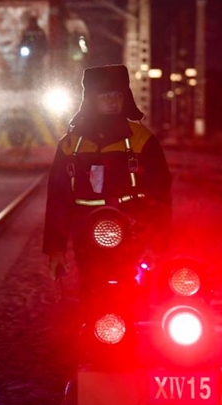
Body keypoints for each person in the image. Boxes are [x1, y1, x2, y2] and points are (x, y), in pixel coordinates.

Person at [42, 64, 172, 289]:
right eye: (105, 96)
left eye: (118, 95)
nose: (113, 101)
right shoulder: (71, 145)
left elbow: (161, 196)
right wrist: (56, 250)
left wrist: (156, 244)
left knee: (134, 293)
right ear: (91, 99)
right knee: (91, 291)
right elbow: (58, 199)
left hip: (134, 234)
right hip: (85, 237)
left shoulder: (143, 140)